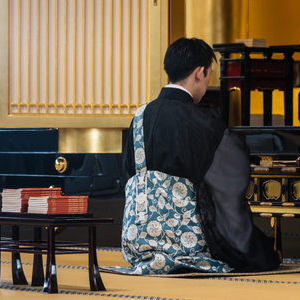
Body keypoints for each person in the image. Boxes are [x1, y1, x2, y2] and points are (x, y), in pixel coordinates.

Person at [120, 37, 280, 274]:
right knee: (264, 254)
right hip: (188, 241)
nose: (207, 83)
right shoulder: (203, 124)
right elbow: (229, 182)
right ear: (199, 72)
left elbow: (128, 170)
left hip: (139, 239)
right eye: (209, 75)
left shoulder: (140, 116)